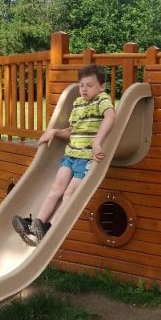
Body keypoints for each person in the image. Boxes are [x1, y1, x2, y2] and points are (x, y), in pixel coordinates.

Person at [12, 63, 115, 246]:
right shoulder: (78, 103)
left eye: (89, 85)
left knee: (69, 194)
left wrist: (97, 142)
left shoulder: (102, 100)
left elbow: (110, 117)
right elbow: (72, 131)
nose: (84, 89)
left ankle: (51, 228)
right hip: (70, 155)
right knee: (56, 189)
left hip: (86, 158)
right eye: (81, 85)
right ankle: (37, 224)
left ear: (102, 86)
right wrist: (55, 132)